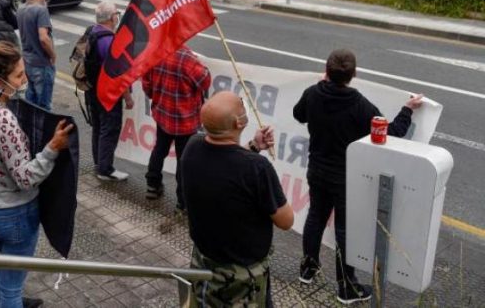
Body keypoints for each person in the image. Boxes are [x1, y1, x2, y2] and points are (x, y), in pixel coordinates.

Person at [293, 49, 424, 304]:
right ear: (354, 74)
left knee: (316, 216)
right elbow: (390, 134)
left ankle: (308, 268)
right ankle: (346, 286)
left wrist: (318, 86)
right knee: (344, 228)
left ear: (327, 70)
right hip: (344, 178)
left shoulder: (313, 93)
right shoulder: (359, 104)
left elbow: (299, 115)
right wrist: (407, 109)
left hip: (317, 170)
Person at [0, 38, 73, 308]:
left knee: (1, 270)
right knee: (12, 288)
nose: (24, 81)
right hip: (16, 214)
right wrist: (51, 149)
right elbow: (25, 178)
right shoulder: (2, 119)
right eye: (19, 75)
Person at [182, 91, 293, 307]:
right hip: (242, 275)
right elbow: (285, 220)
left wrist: (253, 146)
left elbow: (224, 161)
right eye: (241, 106)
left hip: (204, 261)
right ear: (239, 123)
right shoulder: (256, 168)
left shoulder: (192, 146)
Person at [141, 45, 210, 211]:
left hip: (163, 114)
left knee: (159, 149)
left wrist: (157, 96)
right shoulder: (188, 59)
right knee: (183, 160)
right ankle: (183, 202)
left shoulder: (156, 53)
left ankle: (152, 185)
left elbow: (147, 85)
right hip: (185, 121)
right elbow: (205, 81)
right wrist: (203, 67)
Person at [85, 1, 133, 182]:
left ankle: (99, 163)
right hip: (108, 94)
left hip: (93, 90)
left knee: (98, 127)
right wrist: (127, 97)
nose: (117, 16)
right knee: (109, 129)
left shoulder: (92, 32)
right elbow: (118, 73)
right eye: (116, 13)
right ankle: (105, 170)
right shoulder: (109, 41)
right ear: (112, 17)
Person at [15, 0, 55, 110]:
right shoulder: (41, 10)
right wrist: (52, 55)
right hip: (41, 63)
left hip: (28, 61)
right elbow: (43, 38)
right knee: (44, 105)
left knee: (30, 101)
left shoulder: (20, 9)